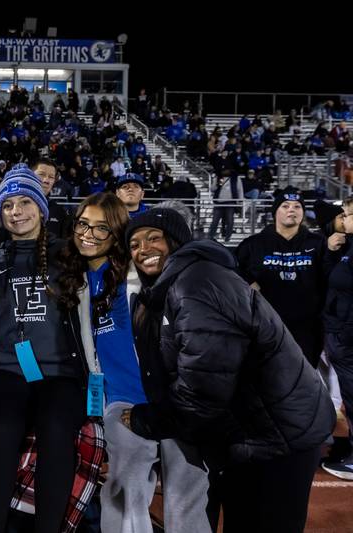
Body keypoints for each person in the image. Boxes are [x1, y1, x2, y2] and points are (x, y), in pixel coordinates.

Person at [125, 207, 335, 533]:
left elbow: (204, 387)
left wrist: (146, 420)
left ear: (177, 241)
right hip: (250, 432)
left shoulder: (196, 283)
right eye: (134, 244)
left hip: (278, 435)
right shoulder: (171, 287)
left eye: (154, 238)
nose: (143, 249)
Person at [58, 194, 210, 533]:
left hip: (174, 398)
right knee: (125, 493)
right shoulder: (74, 281)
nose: (89, 234)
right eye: (83, 224)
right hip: (122, 401)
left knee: (185, 498)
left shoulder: (144, 273)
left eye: (101, 228)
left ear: (116, 234)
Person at [0, 164, 89, 533]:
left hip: (60, 372)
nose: (16, 212)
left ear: (41, 208)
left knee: (56, 430)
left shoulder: (70, 255)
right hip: (9, 369)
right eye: (8, 205)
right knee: (2, 430)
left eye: (25, 202)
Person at [236, 187, 330, 367]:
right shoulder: (253, 244)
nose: (291, 210)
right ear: (275, 212)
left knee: (304, 376)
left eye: (297, 206)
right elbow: (233, 270)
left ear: (302, 212)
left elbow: (331, 277)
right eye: (285, 206)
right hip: (265, 326)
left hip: (308, 328)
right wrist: (248, 282)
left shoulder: (318, 243)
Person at [321, 195, 353, 480]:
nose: (343, 219)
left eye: (348, 214)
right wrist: (332, 252)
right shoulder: (347, 246)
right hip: (341, 334)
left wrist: (344, 334)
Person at [0, 157, 72, 256]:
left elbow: (64, 251)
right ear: (30, 175)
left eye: (51, 177)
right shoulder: (7, 209)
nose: (46, 180)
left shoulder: (59, 211)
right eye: (41, 174)